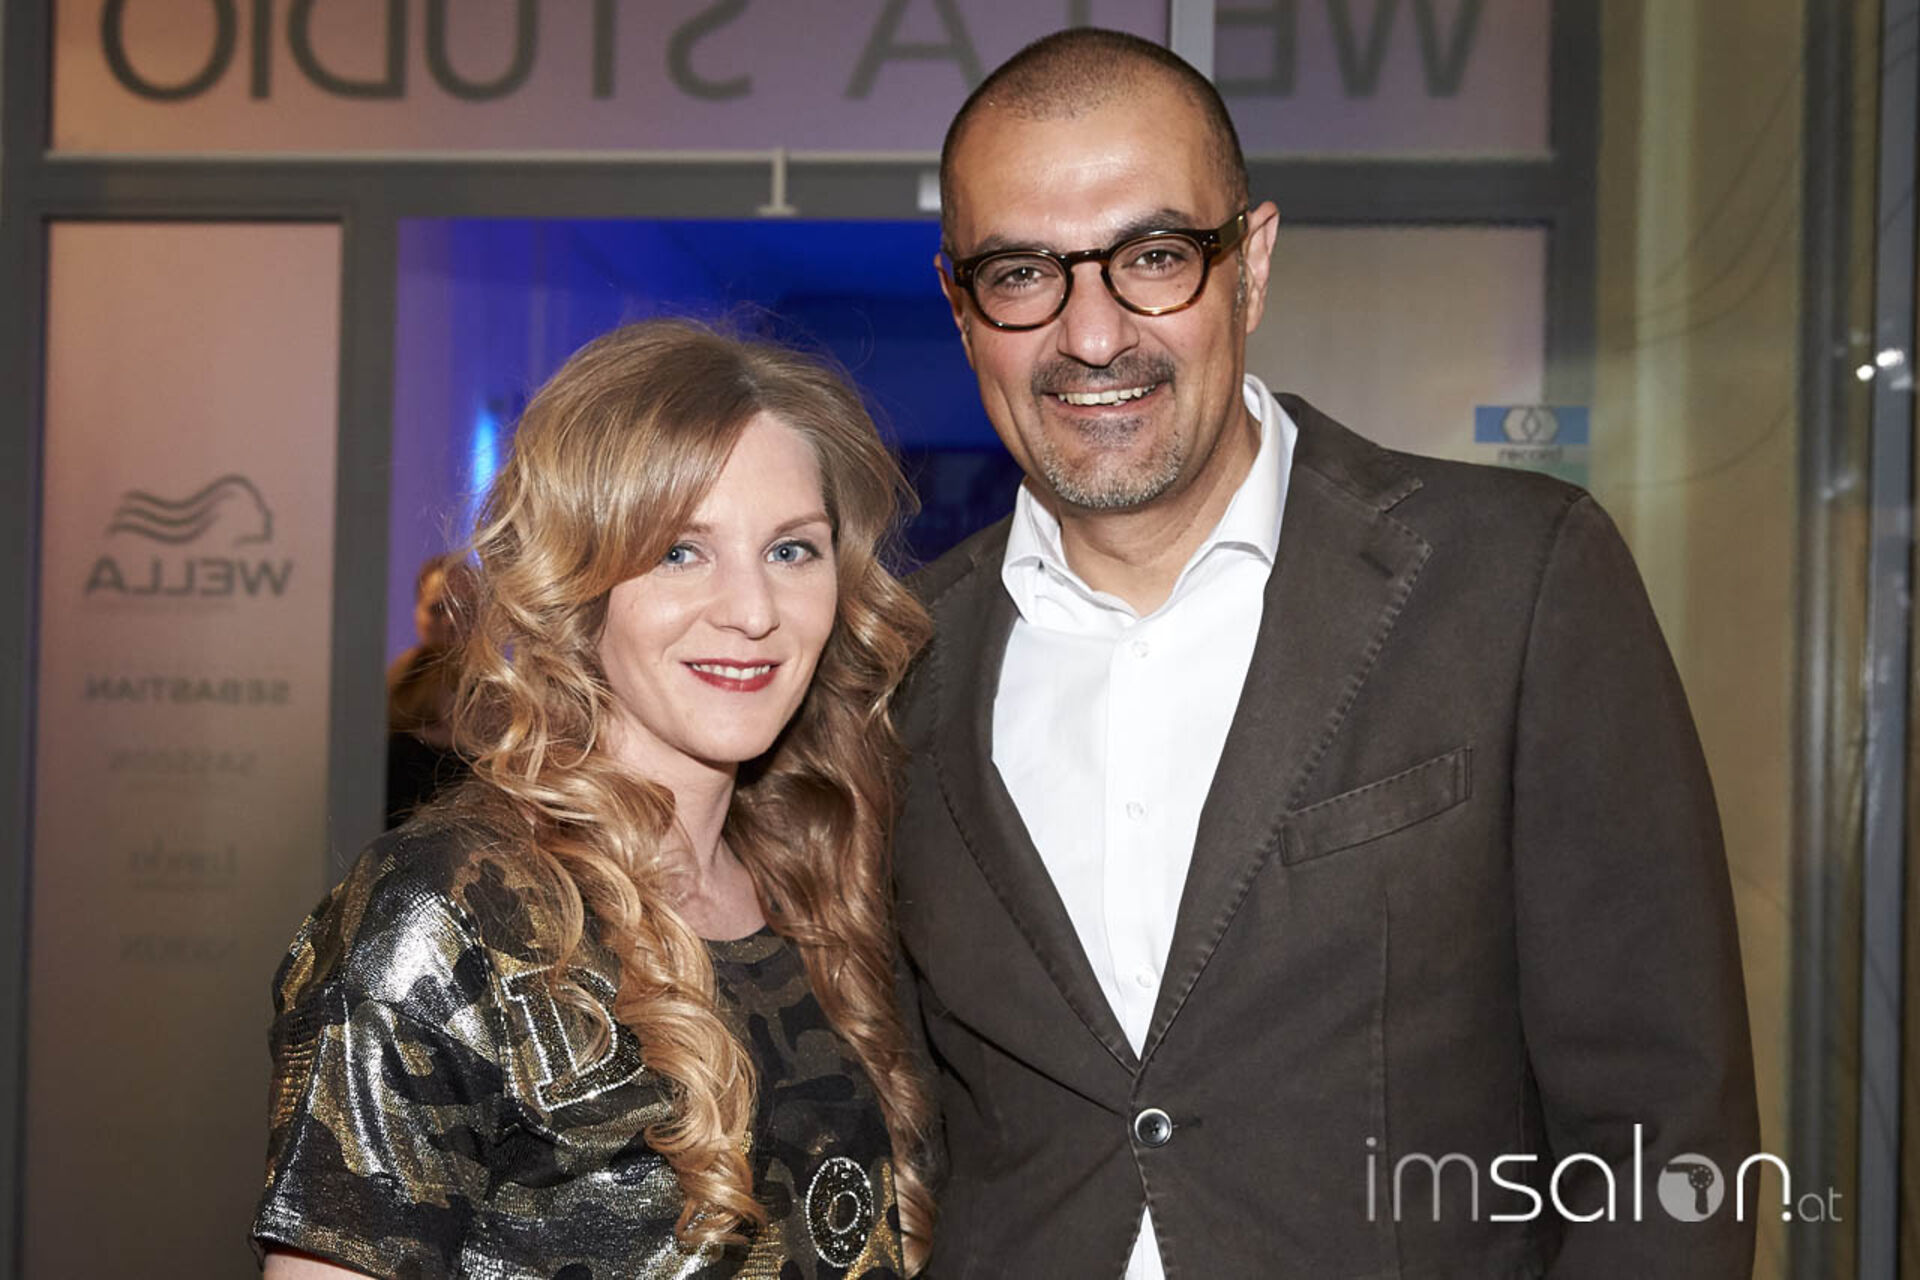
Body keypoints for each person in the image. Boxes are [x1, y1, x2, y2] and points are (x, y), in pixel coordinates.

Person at [891, 27, 1759, 1278]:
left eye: (1153, 256)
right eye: (1022, 271)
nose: (1092, 334)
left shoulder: (1512, 580)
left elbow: (1663, 1129)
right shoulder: (895, 664)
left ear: (1249, 265)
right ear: (960, 304)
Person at [252, 321, 936, 1277]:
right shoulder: (447, 918)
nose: (753, 611)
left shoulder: (813, 880)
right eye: (680, 552)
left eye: (791, 550)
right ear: (576, 581)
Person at [383, 552, 476, 826]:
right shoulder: (386, 692)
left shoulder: (507, 700)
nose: (450, 621)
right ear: (418, 613)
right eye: (438, 609)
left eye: (463, 609)